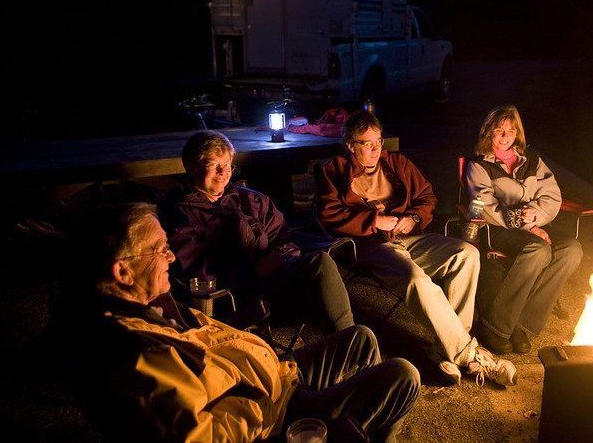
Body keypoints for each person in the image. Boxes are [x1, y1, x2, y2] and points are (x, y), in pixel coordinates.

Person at [59, 202, 419, 442]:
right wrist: (267, 403)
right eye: (158, 249)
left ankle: (354, 428)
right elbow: (201, 436)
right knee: (402, 374)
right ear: (122, 271)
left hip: (275, 376)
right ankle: (342, 427)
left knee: (360, 338)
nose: (168, 255)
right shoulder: (135, 352)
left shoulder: (154, 303)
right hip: (273, 414)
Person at [314, 109, 516, 387]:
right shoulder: (334, 170)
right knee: (415, 279)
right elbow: (328, 214)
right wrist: (374, 221)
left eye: (379, 141)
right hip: (371, 244)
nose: (375, 149)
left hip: (408, 236)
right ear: (351, 145)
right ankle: (471, 355)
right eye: (367, 143)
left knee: (467, 254)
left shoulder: (396, 163)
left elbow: (426, 196)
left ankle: (445, 349)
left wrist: (415, 218)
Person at [162, 130, 354, 333]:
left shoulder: (251, 200)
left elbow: (283, 237)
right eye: (213, 165)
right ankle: (349, 343)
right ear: (192, 167)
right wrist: (254, 271)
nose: (223, 172)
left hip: (278, 281)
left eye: (227, 165)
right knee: (321, 282)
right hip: (239, 300)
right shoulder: (180, 216)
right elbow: (198, 275)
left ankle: (348, 341)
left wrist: (281, 256)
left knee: (321, 264)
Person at [465, 104, 583, 355]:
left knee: (571, 250)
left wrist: (538, 216)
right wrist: (527, 224)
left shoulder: (532, 161)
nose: (506, 136)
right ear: (488, 133)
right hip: (496, 228)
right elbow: (485, 205)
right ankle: (495, 326)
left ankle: (519, 323)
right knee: (538, 249)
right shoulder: (479, 165)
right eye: (499, 131)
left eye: (511, 130)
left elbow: (552, 196)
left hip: (535, 225)